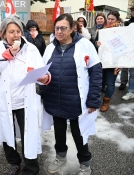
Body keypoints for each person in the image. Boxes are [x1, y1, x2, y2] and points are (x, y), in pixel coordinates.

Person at [0, 14, 48, 175]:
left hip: (24, 101)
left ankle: (31, 167)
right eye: (11, 32)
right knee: (7, 132)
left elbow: (42, 72)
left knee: (28, 134)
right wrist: (7, 56)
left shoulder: (31, 49)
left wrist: (45, 78)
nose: (15, 35)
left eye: (18, 31)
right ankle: (14, 163)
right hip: (4, 101)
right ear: (4, 33)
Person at [41, 14, 102, 175]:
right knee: (59, 133)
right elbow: (43, 72)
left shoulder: (85, 45)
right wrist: (43, 91)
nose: (59, 31)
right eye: (57, 28)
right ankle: (60, 158)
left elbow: (96, 73)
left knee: (79, 134)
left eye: (63, 28)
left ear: (73, 28)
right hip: (55, 99)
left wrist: (93, 100)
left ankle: (85, 164)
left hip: (76, 101)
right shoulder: (50, 48)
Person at [97, 11, 123, 112]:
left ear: (117, 20)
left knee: (111, 83)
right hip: (102, 60)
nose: (110, 21)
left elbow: (125, 48)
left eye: (112, 19)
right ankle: (95, 100)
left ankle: (106, 101)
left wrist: (121, 63)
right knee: (100, 81)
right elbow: (96, 43)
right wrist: (97, 43)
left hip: (114, 62)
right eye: (109, 19)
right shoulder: (102, 30)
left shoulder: (122, 31)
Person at [119, 4, 134, 91]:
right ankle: (123, 82)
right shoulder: (127, 23)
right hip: (127, 47)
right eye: (133, 11)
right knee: (125, 66)